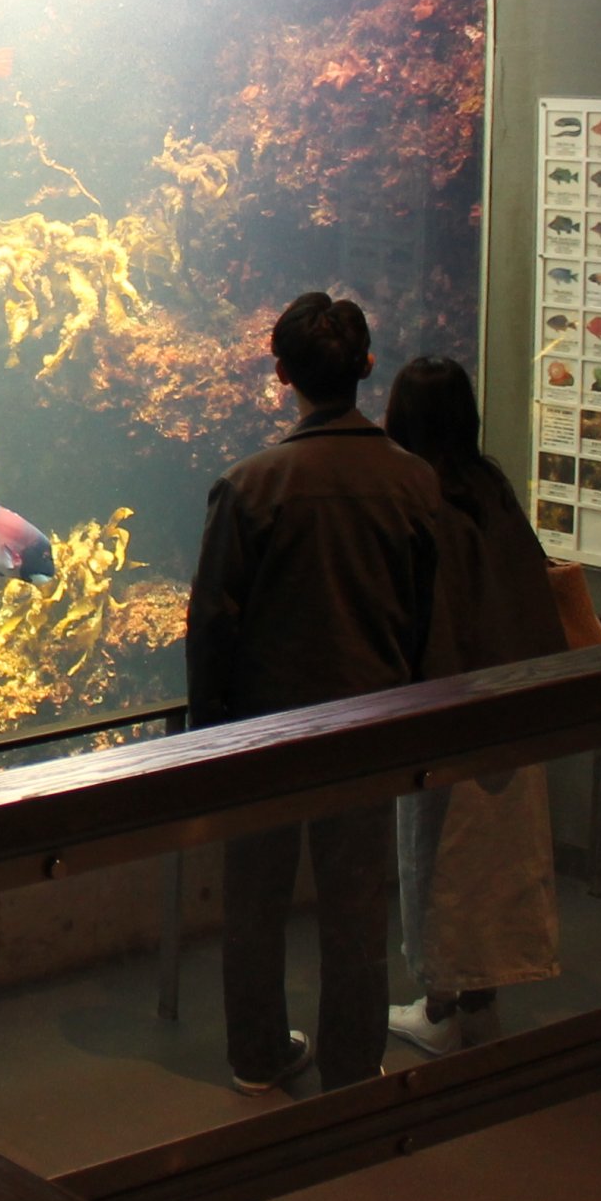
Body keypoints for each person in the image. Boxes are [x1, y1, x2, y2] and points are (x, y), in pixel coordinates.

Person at [187, 293, 443, 1094]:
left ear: (280, 373)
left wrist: (208, 738)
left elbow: (211, 628)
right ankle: (353, 1065)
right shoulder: (414, 483)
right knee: (357, 904)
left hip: (262, 734)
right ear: (368, 366)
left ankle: (258, 1054)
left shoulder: (248, 487)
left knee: (255, 900)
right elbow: (429, 617)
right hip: (371, 726)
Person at [381, 356, 570, 1055]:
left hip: (448, 712)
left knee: (440, 867)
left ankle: (441, 1009)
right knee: (501, 866)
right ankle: (483, 1008)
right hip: (511, 710)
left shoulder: (420, 502)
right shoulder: (492, 491)